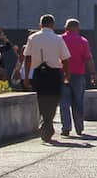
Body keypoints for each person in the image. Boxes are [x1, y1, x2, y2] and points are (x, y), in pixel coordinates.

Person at [17, 14, 70, 142]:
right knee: (53, 99)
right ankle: (48, 123)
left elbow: (27, 58)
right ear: (52, 25)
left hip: (38, 74)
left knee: (41, 99)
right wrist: (66, 75)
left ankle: (46, 124)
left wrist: (26, 77)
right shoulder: (58, 39)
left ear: (40, 25)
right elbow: (65, 59)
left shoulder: (32, 38)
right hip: (54, 73)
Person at [59, 18, 97, 137]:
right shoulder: (83, 41)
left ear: (66, 28)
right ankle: (79, 128)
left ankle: (66, 128)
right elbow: (88, 59)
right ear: (77, 28)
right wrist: (93, 74)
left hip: (62, 74)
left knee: (64, 102)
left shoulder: (60, 39)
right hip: (78, 75)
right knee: (78, 102)